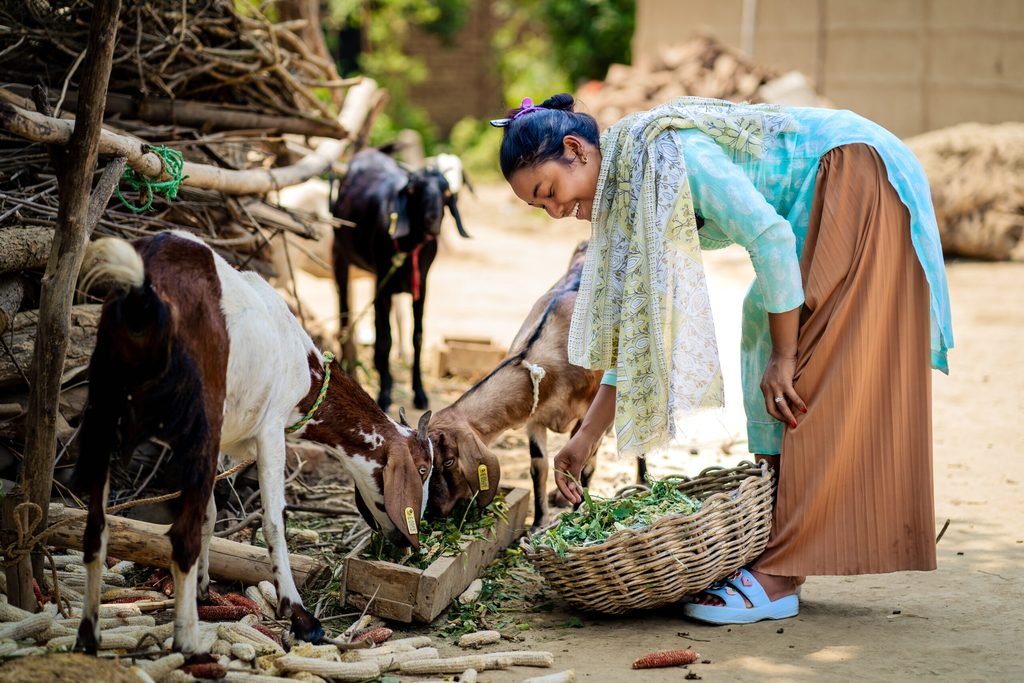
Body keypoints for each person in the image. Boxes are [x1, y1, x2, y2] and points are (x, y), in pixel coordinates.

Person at [490, 94, 953, 624]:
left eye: (550, 191)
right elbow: (642, 329)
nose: (555, 212)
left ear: (576, 150)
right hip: (819, 194)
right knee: (764, 321)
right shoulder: (627, 197)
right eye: (538, 207)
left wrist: (786, 355)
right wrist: (587, 436)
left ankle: (781, 574)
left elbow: (770, 236)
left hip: (852, 170)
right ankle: (779, 545)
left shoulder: (671, 156)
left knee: (806, 359)